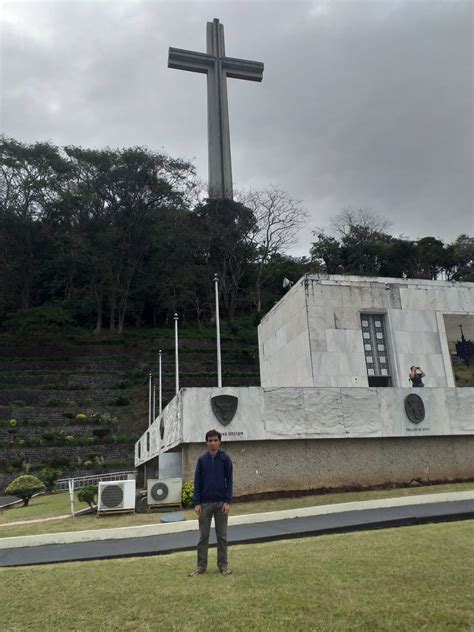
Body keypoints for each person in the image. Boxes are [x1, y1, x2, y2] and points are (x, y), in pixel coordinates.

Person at [188, 429, 233, 576]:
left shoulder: (225, 459)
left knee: (222, 536)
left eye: (215, 440)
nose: (213, 443)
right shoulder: (202, 460)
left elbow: (230, 481)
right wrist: (197, 503)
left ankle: (223, 566)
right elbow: (197, 482)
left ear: (219, 441)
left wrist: (227, 501)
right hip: (205, 504)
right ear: (206, 442)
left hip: (221, 503)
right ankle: (201, 566)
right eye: (210, 440)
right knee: (203, 537)